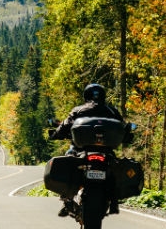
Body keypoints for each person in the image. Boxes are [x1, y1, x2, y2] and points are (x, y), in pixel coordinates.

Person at [50, 83, 123, 217]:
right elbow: (122, 128)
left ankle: (66, 199)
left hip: (80, 148)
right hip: (106, 151)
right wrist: (128, 136)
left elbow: (65, 125)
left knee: (69, 159)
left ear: (86, 95)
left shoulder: (79, 110)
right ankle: (114, 202)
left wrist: (56, 134)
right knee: (113, 166)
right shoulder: (112, 111)